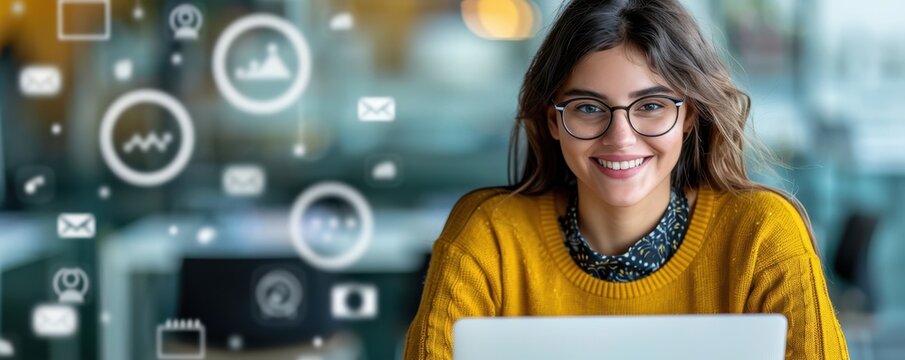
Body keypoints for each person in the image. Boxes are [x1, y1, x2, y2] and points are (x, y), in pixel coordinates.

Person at [403, 0, 850, 359]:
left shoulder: (763, 234)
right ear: (554, 121)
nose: (621, 138)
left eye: (652, 106)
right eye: (589, 107)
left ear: (689, 116)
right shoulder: (488, 235)